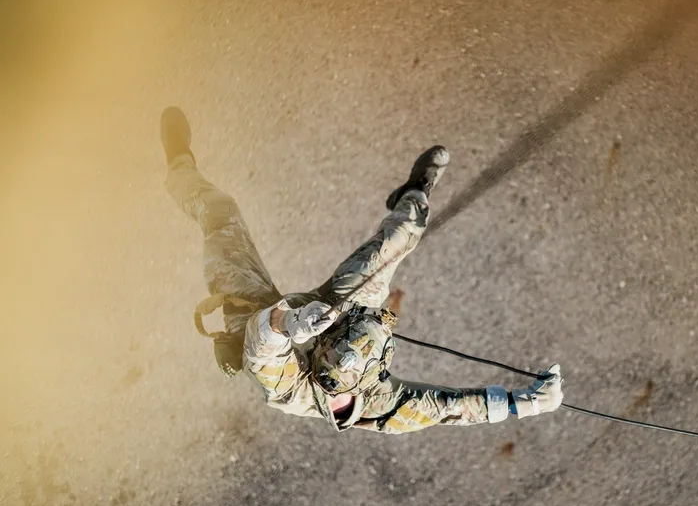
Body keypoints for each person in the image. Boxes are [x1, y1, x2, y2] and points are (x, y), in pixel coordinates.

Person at [161, 106, 563, 434]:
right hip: (344, 311)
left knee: (220, 214)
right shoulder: (380, 394)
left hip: (265, 322)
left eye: (331, 346)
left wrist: (292, 325)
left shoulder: (291, 391)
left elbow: (261, 345)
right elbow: (447, 406)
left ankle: (179, 164)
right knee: (397, 241)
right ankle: (413, 193)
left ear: (323, 363)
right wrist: (523, 404)